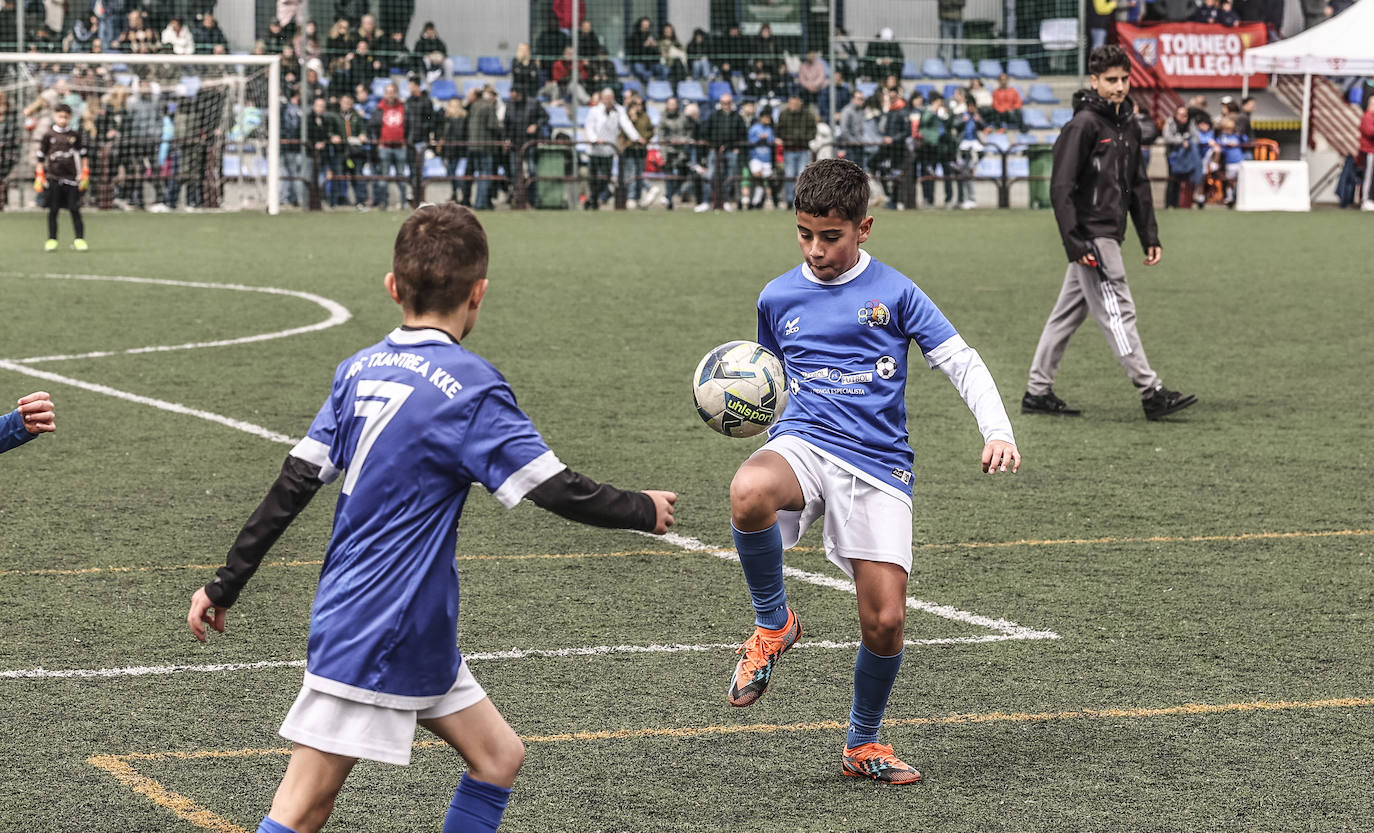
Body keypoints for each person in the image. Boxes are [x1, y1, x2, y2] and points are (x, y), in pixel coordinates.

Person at [185, 218, 677, 833]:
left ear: (393, 286)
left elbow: (293, 485)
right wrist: (642, 507)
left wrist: (226, 582)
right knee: (304, 804)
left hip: (409, 623)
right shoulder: (471, 388)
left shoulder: (357, 370)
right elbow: (553, 487)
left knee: (499, 757)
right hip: (378, 623)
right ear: (479, 292)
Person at [725, 156, 1019, 785]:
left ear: (864, 228)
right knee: (748, 491)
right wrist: (744, 412)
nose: (815, 249)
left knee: (885, 623)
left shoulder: (896, 292)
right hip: (803, 439)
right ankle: (773, 624)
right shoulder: (777, 297)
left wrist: (997, 430)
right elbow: (765, 377)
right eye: (804, 234)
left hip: (879, 462)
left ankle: (861, 745)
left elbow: (961, 361)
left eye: (829, 236)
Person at [1022, 45, 1196, 421]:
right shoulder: (1083, 125)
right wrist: (1075, 243)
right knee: (1120, 312)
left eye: (1124, 79)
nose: (1119, 87)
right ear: (1095, 81)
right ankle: (1151, 392)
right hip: (1092, 238)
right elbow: (1061, 188)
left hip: (1108, 235)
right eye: (1111, 80)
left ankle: (1037, 391)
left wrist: (1149, 235)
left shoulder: (1128, 125)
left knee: (1065, 316)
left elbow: (1138, 184)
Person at [36, 103, 89, 252]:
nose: (63, 119)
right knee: (53, 210)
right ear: (54, 116)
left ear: (70, 118)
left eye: (66, 117)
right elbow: (41, 157)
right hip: (53, 177)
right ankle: (52, 239)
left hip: (71, 178)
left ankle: (79, 239)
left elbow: (83, 155)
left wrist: (85, 172)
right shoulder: (49, 135)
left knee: (74, 209)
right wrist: (39, 175)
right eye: (60, 116)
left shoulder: (74, 135)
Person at [583, 88, 640, 210]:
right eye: (606, 98)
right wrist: (594, 139)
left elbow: (626, 125)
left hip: (609, 150)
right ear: (602, 99)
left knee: (606, 178)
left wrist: (636, 137)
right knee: (593, 178)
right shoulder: (594, 111)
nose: (608, 101)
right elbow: (589, 127)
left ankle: (594, 199)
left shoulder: (619, 110)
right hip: (595, 151)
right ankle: (592, 201)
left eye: (610, 98)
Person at [694, 92, 747, 212]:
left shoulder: (737, 117)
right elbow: (706, 132)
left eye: (728, 103)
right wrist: (714, 146)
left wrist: (734, 147)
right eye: (723, 103)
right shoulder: (714, 116)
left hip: (731, 151)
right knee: (709, 175)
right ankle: (706, 202)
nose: (725, 105)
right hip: (715, 150)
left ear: (731, 103)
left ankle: (726, 201)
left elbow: (742, 135)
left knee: (730, 176)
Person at [370, 82, 408, 209]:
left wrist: (406, 141)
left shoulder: (404, 107)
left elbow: (409, 126)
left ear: (396, 93)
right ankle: (383, 203)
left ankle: (404, 203)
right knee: (383, 177)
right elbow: (373, 127)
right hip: (384, 147)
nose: (390, 95)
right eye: (388, 92)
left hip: (400, 147)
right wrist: (378, 142)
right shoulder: (379, 108)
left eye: (392, 92)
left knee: (401, 177)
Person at [777, 95, 816, 208]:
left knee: (802, 176)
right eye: (791, 103)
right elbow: (779, 130)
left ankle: (801, 201)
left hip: (803, 149)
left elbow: (813, 131)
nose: (793, 106)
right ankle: (789, 200)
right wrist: (787, 140)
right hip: (789, 150)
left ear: (800, 103)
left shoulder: (808, 115)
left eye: (795, 103)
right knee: (789, 176)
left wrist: (801, 138)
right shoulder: (784, 115)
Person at [1361, 95, 1374, 211]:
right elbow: (1369, 132)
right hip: (1369, 151)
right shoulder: (1367, 116)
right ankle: (1365, 199)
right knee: (1368, 176)